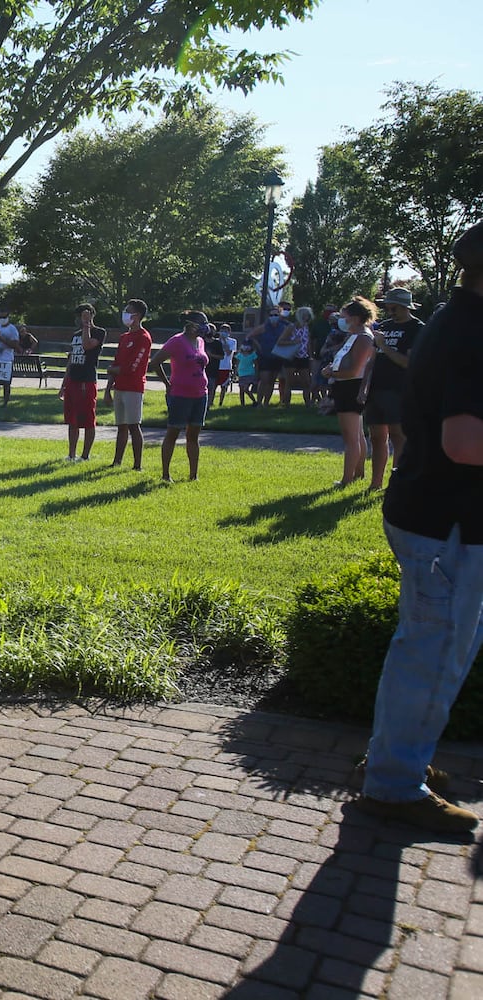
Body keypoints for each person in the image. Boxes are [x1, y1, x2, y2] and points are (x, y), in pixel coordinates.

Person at [356, 221, 483, 835]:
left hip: (434, 514)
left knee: (427, 646)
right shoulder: (471, 333)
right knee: (434, 653)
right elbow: (464, 442)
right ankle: (393, 785)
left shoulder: (450, 323)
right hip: (448, 521)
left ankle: (398, 761)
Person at [364, 288, 424, 492]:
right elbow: (373, 358)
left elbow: (408, 362)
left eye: (394, 307)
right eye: (388, 306)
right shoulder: (385, 327)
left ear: (406, 307)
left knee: (399, 437)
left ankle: (396, 483)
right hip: (376, 389)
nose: (389, 310)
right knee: (376, 437)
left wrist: (384, 345)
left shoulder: (416, 328)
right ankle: (375, 483)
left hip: (399, 390)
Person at [320, 298, 379, 487]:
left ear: (354, 318)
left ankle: (346, 479)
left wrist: (332, 373)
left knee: (351, 437)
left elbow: (355, 370)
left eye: (344, 317)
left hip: (351, 387)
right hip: (344, 386)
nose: (341, 320)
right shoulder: (354, 335)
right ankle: (358, 473)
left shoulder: (363, 337)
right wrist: (333, 368)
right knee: (357, 434)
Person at [150, 312, 211, 482]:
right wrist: (167, 384)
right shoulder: (176, 341)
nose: (204, 326)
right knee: (173, 432)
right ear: (190, 324)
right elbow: (155, 362)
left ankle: (193, 475)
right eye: (201, 323)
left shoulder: (200, 342)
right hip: (180, 395)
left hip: (200, 394)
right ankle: (165, 475)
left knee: (193, 435)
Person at [107, 299, 152, 469]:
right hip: (119, 386)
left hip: (133, 387)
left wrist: (113, 371)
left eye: (128, 311)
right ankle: (117, 461)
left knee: (134, 425)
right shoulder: (124, 337)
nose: (125, 313)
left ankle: (137, 465)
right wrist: (109, 387)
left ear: (138, 315)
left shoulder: (143, 337)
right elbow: (116, 361)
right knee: (121, 426)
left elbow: (133, 366)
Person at [60, 304, 104, 461]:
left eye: (84, 315)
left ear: (92, 315)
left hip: (87, 380)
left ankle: (85, 455)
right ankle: (71, 454)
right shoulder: (76, 334)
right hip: (73, 380)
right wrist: (64, 384)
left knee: (87, 419)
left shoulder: (99, 332)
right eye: (80, 316)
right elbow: (71, 359)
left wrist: (87, 325)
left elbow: (87, 345)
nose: (81, 319)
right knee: (72, 420)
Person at [276, 306, 313, 407]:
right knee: (289, 382)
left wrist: (310, 355)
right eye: (305, 315)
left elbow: (308, 343)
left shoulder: (306, 327)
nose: (307, 317)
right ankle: (286, 404)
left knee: (306, 382)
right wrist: (293, 342)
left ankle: (308, 404)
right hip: (292, 357)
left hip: (303, 357)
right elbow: (280, 342)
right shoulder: (291, 327)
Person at [0, 310, 20, 407]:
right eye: (0, 317)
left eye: (4, 317)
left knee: (6, 383)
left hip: (6, 360)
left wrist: (1, 338)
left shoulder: (12, 329)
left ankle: (5, 403)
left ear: (8, 317)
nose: (2, 319)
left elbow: (15, 345)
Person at [212, 323, 236, 406]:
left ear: (229, 332)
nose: (223, 332)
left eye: (225, 331)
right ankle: (211, 402)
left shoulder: (232, 341)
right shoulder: (215, 341)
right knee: (213, 385)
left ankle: (221, 403)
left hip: (226, 366)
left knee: (224, 386)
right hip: (216, 366)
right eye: (222, 331)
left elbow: (229, 352)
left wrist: (224, 340)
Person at [235, 338, 259, 405]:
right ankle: (242, 404)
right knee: (241, 389)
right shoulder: (239, 354)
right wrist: (235, 373)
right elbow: (237, 364)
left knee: (246, 388)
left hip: (250, 373)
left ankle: (254, 401)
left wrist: (256, 374)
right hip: (241, 373)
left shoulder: (253, 354)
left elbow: (256, 364)